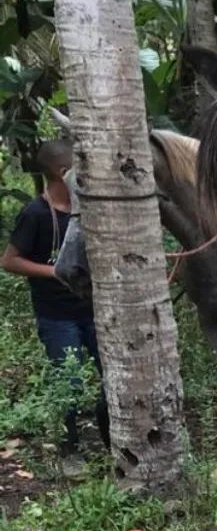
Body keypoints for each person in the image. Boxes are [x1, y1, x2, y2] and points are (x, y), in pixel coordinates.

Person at [2, 139, 109, 465]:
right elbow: (10, 261)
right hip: (58, 317)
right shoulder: (36, 213)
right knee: (70, 381)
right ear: (64, 172)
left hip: (95, 311)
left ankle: (112, 440)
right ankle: (69, 447)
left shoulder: (89, 210)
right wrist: (55, 272)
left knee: (112, 377)